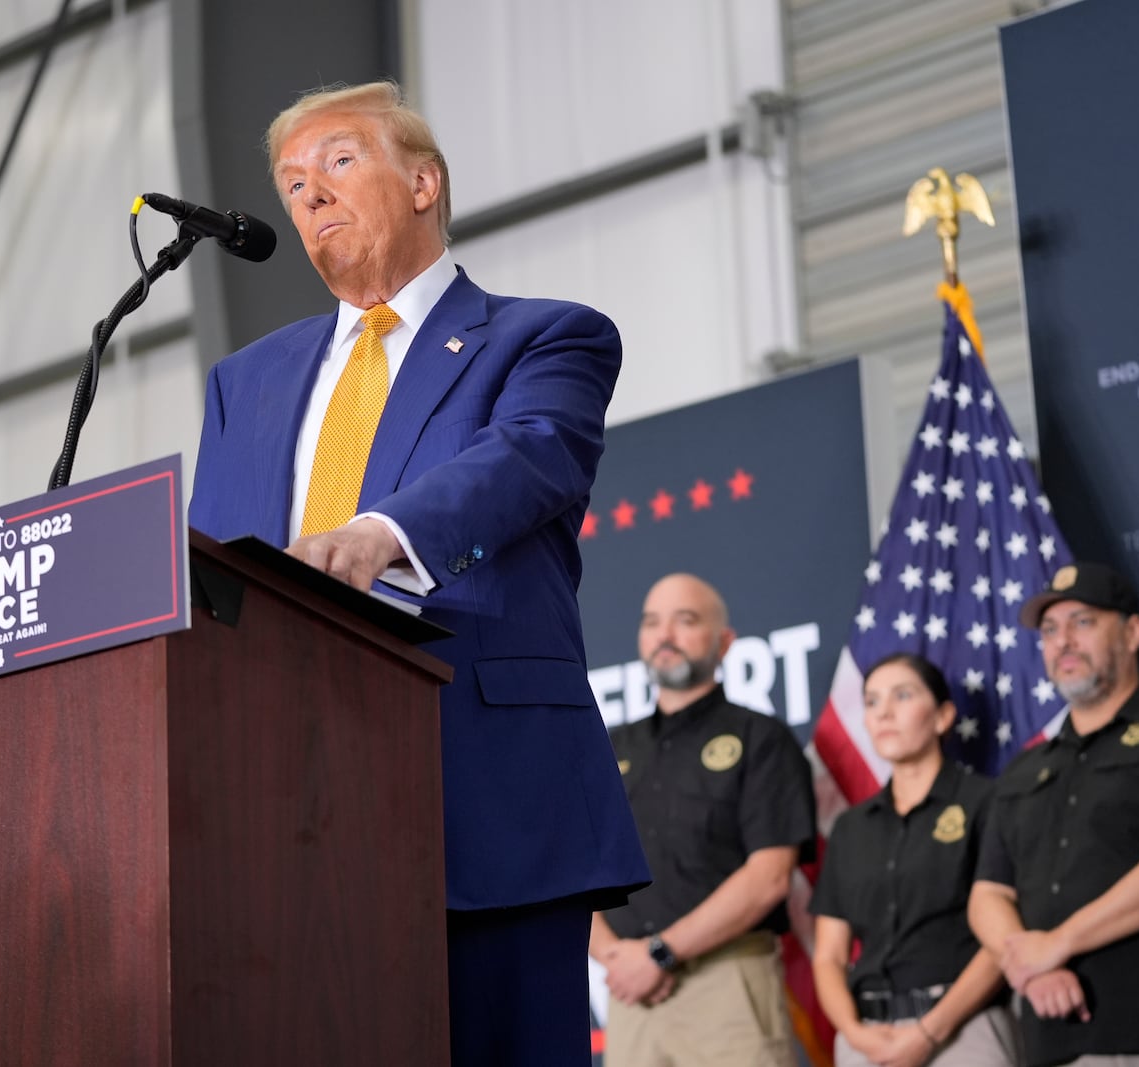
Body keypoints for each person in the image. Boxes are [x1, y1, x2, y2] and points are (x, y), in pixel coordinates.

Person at [186, 81, 649, 1066]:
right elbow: (213, 565)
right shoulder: (245, 382)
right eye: (292, 183)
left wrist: (382, 531)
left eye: (339, 162)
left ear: (424, 181)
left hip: (483, 791)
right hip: (282, 811)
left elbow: (531, 459)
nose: (310, 194)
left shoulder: (544, 336)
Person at [967, 562, 1139, 1067]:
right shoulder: (1025, 770)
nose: (1063, 642)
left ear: (1133, 632)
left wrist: (1058, 943)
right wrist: (1032, 967)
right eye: (1050, 630)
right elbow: (988, 893)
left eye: (1083, 622)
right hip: (1054, 1045)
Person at [590, 573, 816, 1067]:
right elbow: (576, 869)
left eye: (685, 620)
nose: (664, 634)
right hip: (629, 994)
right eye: (652, 623)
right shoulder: (609, 747)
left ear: (725, 642)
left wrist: (660, 953)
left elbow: (771, 877)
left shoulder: (762, 738)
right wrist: (614, 957)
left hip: (727, 984)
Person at [809, 653, 1019, 1067]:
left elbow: (1004, 938)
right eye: (871, 701)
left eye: (902, 696)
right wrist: (853, 1034)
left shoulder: (987, 803)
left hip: (964, 1030)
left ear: (943, 716)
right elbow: (829, 955)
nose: (884, 712)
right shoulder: (851, 828)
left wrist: (930, 1031)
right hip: (868, 1040)